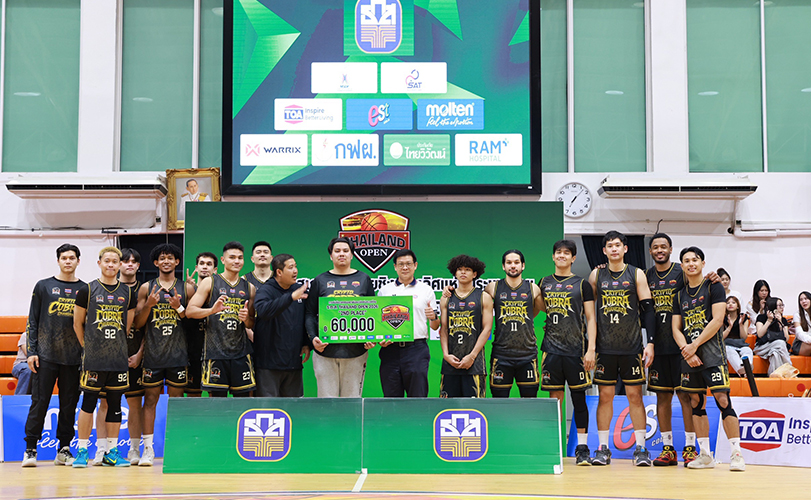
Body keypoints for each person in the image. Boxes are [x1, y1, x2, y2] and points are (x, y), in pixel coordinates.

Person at [672, 246, 745, 471]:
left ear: (703, 263)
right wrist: (687, 350)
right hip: (689, 357)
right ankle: (705, 455)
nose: (691, 263)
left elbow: (717, 320)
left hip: (712, 355)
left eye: (695, 259)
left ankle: (736, 454)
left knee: (723, 400)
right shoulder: (679, 295)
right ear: (682, 266)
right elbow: (675, 328)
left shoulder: (714, 286)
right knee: (695, 402)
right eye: (686, 260)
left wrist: (694, 346)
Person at [587, 231, 656, 467]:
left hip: (631, 346)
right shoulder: (596, 275)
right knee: (604, 397)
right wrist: (590, 346)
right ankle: (602, 448)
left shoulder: (636, 274)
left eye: (618, 245)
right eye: (610, 246)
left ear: (625, 248)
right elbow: (588, 311)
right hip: (605, 348)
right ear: (604, 251)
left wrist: (650, 342)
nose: (614, 249)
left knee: (635, 396)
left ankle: (641, 449)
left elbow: (648, 310)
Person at [71, 247, 137, 468]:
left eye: (114, 261)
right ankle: (82, 450)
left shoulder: (128, 293)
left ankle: (111, 451)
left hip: (117, 359)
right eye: (107, 261)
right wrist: (87, 347)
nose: (111, 264)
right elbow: (77, 323)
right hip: (94, 360)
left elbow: (126, 327)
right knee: (88, 403)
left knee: (115, 404)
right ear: (99, 263)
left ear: (120, 265)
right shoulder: (87, 290)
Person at [21, 244, 85, 467]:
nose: (68, 261)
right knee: (39, 403)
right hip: (45, 357)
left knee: (69, 405)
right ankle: (30, 449)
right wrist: (32, 352)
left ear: (78, 261)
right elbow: (32, 320)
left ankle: (64, 449)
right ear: (58, 261)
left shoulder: (85, 289)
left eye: (72, 258)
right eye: (64, 258)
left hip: (74, 359)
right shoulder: (44, 286)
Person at [133, 243, 194, 466]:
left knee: (177, 402)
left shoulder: (187, 289)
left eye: (170, 257)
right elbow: (138, 323)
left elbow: (193, 322)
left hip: (178, 354)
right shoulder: (146, 288)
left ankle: (176, 447)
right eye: (162, 258)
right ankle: (148, 449)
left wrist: (179, 307)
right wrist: (149, 305)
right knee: (149, 400)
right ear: (156, 262)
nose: (166, 261)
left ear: (177, 262)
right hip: (153, 354)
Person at [537, 240, 596, 466]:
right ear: (553, 257)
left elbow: (590, 318)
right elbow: (539, 309)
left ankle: (582, 448)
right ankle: (556, 447)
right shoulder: (544, 282)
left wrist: (591, 349)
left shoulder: (582, 284)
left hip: (576, 350)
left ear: (573, 258)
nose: (562, 255)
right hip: (551, 350)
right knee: (555, 401)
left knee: (579, 399)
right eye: (558, 252)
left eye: (567, 253)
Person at [645, 233, 697, 467]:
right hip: (658, 347)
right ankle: (667, 449)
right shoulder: (646, 276)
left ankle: (690, 448)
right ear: (650, 251)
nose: (659, 250)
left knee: (686, 396)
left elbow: (699, 286)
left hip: (681, 346)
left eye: (663, 246)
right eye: (655, 247)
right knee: (662, 398)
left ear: (670, 249)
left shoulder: (681, 271)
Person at [305, 237, 375, 397]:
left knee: (352, 402)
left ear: (352, 255)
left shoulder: (364, 279)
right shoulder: (320, 280)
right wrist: (313, 338)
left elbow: (372, 312)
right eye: (337, 251)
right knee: (327, 401)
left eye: (345, 251)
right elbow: (309, 313)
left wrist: (372, 338)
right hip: (324, 352)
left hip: (356, 352)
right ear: (331, 256)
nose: (341, 254)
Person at [187, 242, 256, 397]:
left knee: (243, 401)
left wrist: (247, 319)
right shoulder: (210, 282)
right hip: (215, 353)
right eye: (232, 257)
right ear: (223, 260)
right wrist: (211, 310)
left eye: (240, 258)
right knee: (217, 402)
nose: (237, 261)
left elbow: (251, 323)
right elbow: (190, 311)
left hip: (241, 354)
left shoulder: (249, 288)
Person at [94, 248, 143, 466]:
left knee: (134, 403)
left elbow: (146, 327)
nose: (129, 264)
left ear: (138, 266)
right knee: (104, 403)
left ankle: (134, 449)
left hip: (133, 356)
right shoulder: (99, 288)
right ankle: (101, 450)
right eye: (125, 261)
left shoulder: (143, 289)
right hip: (107, 357)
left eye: (134, 261)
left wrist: (139, 354)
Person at [377, 249, 440, 397]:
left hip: (416, 349)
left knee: (418, 396)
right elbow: (379, 323)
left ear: (415, 265)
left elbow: (435, 326)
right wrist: (380, 340)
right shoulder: (384, 290)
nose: (405, 267)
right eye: (401, 264)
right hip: (390, 350)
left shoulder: (426, 290)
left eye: (408, 264)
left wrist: (433, 317)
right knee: (391, 398)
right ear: (395, 267)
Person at [483, 249, 542, 398]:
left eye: (516, 262)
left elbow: (538, 311)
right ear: (503, 266)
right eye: (509, 262)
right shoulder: (492, 288)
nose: (513, 266)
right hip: (501, 355)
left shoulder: (533, 288)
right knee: (499, 403)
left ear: (523, 265)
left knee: (530, 403)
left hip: (527, 355)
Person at [253, 253, 311, 397]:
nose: (295, 271)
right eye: (291, 267)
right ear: (279, 272)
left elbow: (305, 318)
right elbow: (263, 311)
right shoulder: (266, 290)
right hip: (268, 365)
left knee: (293, 407)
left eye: (295, 266)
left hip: (293, 363)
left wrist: (306, 343)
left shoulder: (299, 290)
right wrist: (290, 298)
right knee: (268, 407)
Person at [439, 255, 493, 398]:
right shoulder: (446, 298)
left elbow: (487, 329)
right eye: (460, 269)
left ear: (474, 274)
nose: (463, 272)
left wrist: (472, 356)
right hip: (450, 364)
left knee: (474, 408)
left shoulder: (484, 297)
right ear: (455, 272)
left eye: (467, 269)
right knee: (448, 408)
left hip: (474, 365)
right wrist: (446, 355)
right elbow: (443, 329)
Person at [183, 251, 217, 397]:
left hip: (214, 349)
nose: (205, 267)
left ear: (215, 270)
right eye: (201, 264)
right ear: (196, 268)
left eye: (209, 264)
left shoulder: (219, 290)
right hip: (193, 349)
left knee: (214, 394)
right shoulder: (187, 290)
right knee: (193, 395)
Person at [754, 297, 792, 374]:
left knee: (775, 354)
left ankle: (774, 376)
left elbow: (786, 338)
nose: (782, 307)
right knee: (780, 343)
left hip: (777, 348)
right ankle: (789, 369)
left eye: (782, 305)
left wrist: (780, 322)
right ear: (773, 306)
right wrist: (769, 320)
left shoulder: (783, 320)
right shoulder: (761, 317)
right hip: (762, 347)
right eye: (779, 305)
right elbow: (760, 334)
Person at [723, 296, 753, 376]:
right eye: (728, 303)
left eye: (733, 302)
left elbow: (744, 337)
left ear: (737, 306)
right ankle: (744, 372)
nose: (730, 304)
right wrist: (729, 327)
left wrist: (740, 325)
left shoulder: (743, 317)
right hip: (727, 344)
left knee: (748, 351)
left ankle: (747, 370)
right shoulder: (722, 318)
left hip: (740, 344)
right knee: (730, 352)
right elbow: (721, 337)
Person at [792, 291, 811, 356]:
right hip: (800, 343)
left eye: (806, 299)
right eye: (801, 300)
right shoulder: (797, 314)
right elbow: (799, 334)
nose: (803, 301)